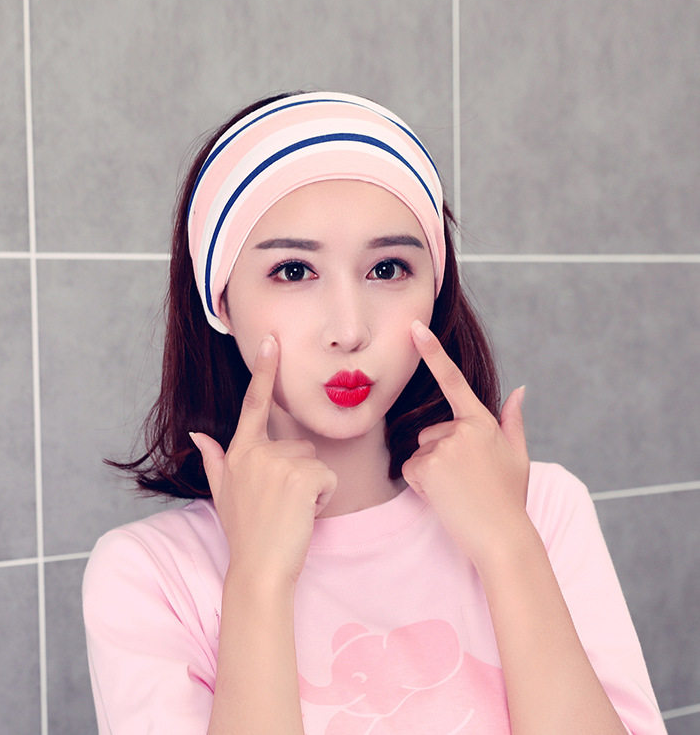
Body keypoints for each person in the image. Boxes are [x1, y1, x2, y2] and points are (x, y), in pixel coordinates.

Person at [82, 91, 666, 734]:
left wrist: (508, 546)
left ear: (433, 289)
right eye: (294, 271)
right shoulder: (150, 575)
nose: (349, 329)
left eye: (388, 269)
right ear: (220, 300)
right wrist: (258, 580)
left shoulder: (543, 508)